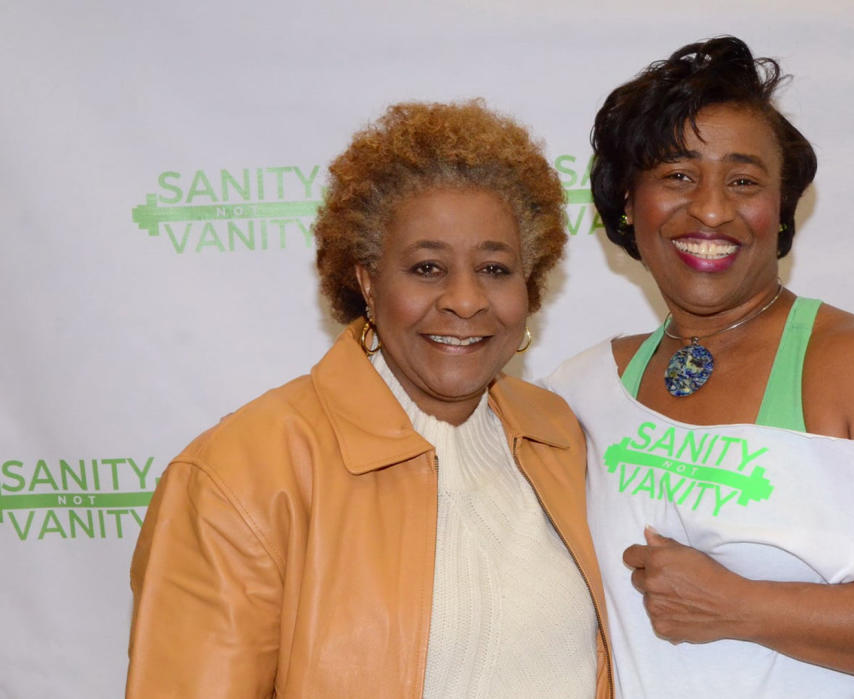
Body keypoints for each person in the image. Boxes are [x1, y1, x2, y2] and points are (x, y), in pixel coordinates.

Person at [544, 37, 854, 698]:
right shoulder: (580, 388)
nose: (712, 208)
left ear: (781, 212)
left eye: (743, 181)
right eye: (678, 175)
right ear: (628, 200)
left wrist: (742, 605)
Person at [127, 101, 612, 698]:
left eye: (494, 267)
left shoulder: (563, 438)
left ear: (529, 284)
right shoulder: (242, 472)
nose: (466, 300)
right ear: (367, 282)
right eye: (428, 267)